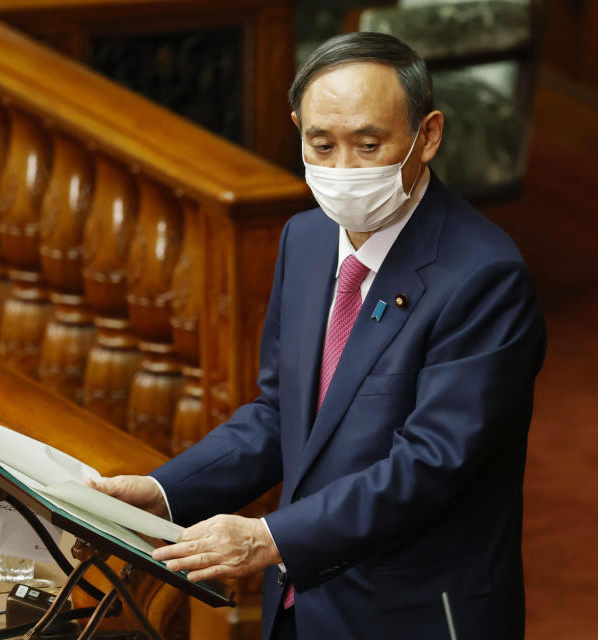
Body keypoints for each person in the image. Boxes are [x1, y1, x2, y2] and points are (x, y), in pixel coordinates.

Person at [88, 32, 546, 640]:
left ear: (428, 135)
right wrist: (164, 491)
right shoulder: (304, 239)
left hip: (413, 615)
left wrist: (269, 537)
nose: (342, 171)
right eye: (321, 145)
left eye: (369, 144)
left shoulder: (485, 277)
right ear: (297, 128)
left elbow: (430, 465)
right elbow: (283, 415)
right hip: (302, 604)